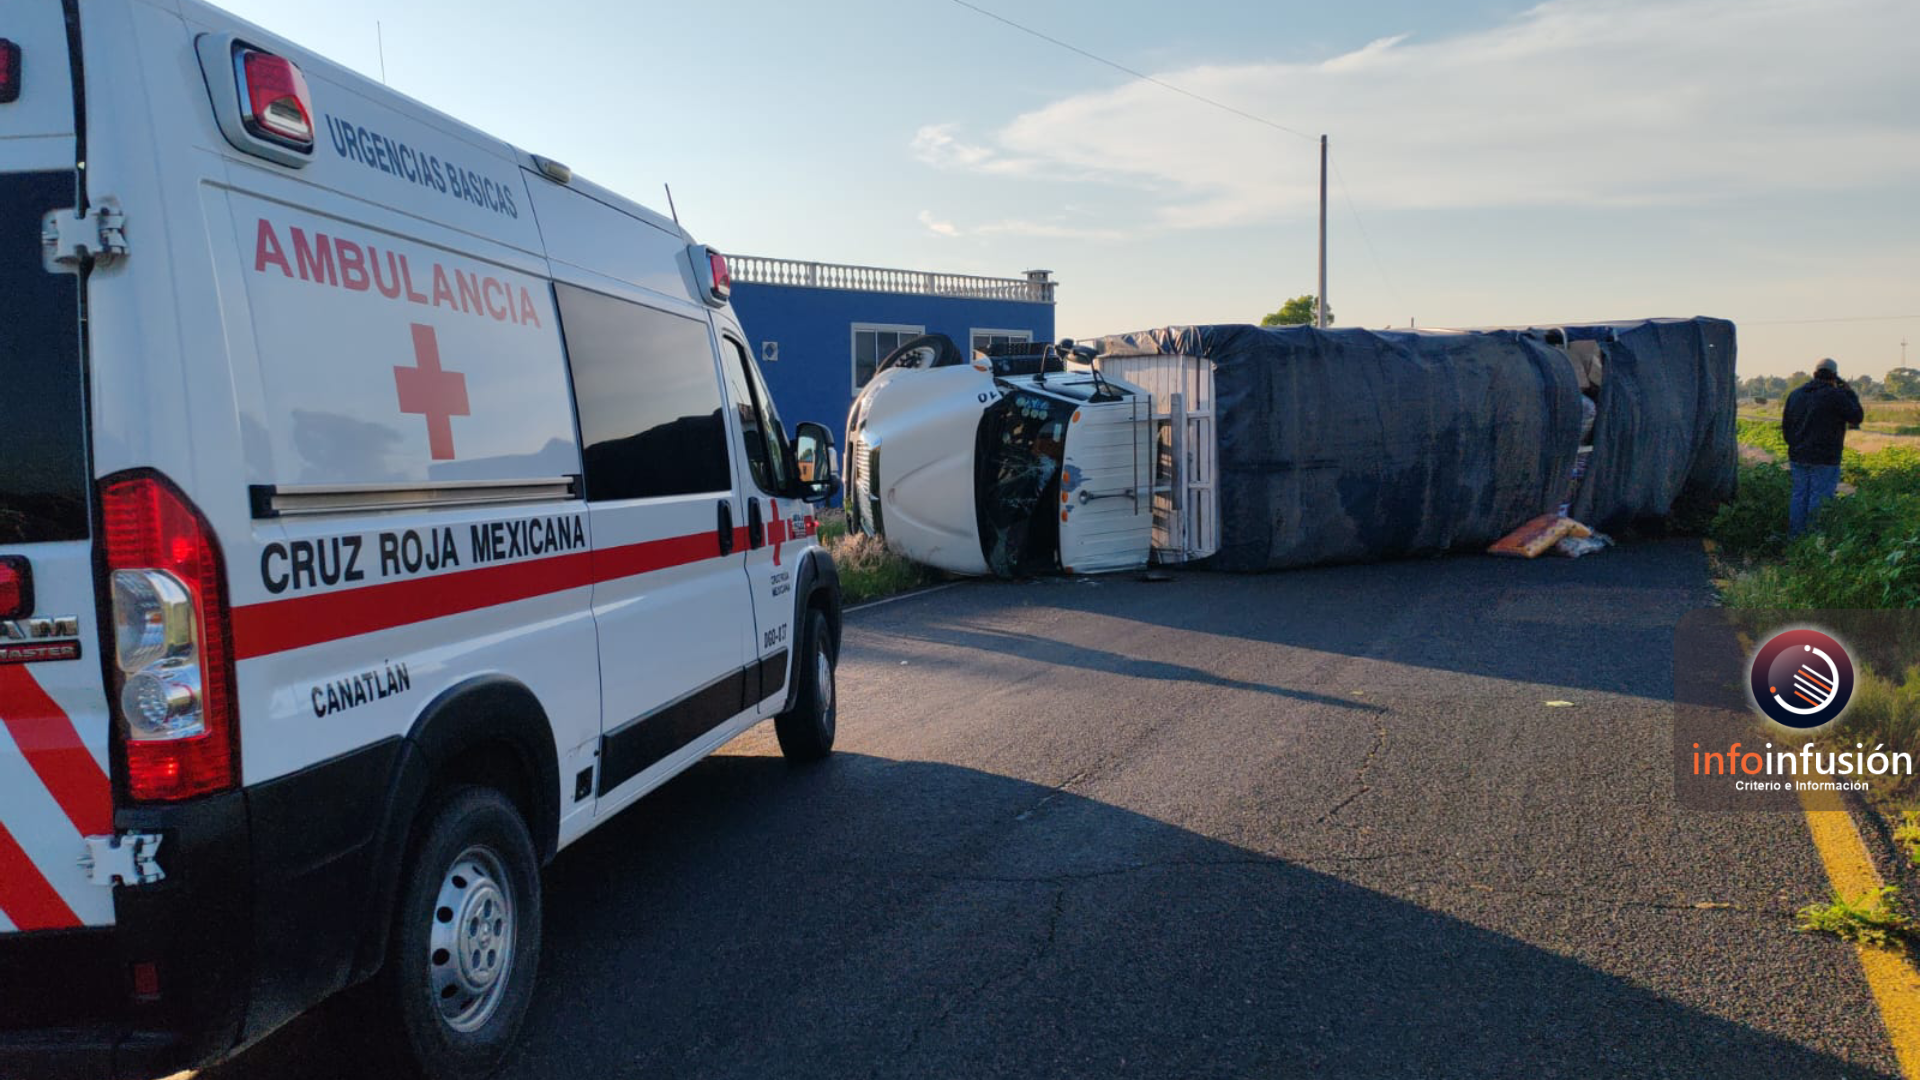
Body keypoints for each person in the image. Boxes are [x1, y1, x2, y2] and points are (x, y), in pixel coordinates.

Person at [1781, 357, 1864, 537]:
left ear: (1814, 374)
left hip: (1798, 455)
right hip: (1825, 458)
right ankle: (1814, 542)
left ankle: (1795, 539)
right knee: (1819, 499)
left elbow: (1786, 426)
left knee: (1799, 496)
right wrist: (1850, 393)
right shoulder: (1836, 396)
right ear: (1834, 376)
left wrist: (1795, 445)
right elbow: (1856, 417)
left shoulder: (1795, 395)